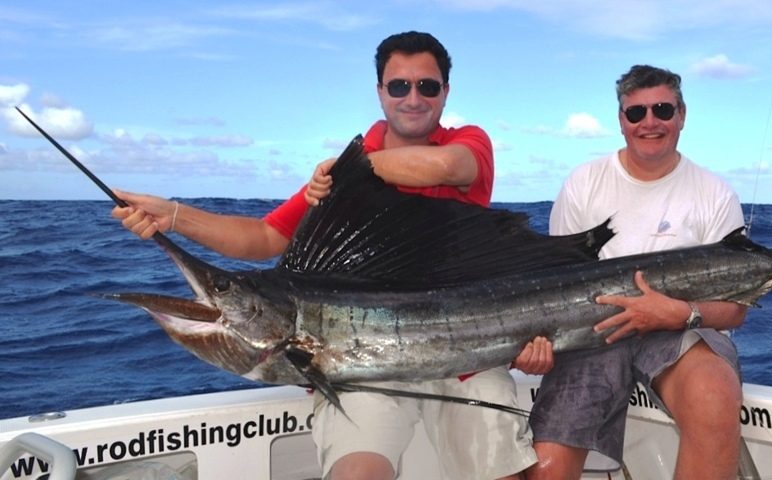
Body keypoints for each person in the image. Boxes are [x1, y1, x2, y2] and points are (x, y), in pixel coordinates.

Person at [112, 31, 552, 480]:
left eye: (428, 86)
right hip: (357, 368)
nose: (413, 98)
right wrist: (173, 216)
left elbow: (445, 167)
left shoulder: (464, 143)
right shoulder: (337, 179)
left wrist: (353, 167)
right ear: (380, 92)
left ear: (445, 93)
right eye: (399, 86)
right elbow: (264, 237)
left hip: (469, 358)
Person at [525, 65, 747, 480]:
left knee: (716, 396)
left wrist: (680, 314)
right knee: (547, 466)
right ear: (621, 121)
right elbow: (550, 289)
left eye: (662, 110)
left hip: (679, 331)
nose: (650, 122)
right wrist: (533, 345)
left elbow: (735, 310)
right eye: (636, 113)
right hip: (590, 335)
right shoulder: (583, 183)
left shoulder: (715, 194)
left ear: (682, 115)